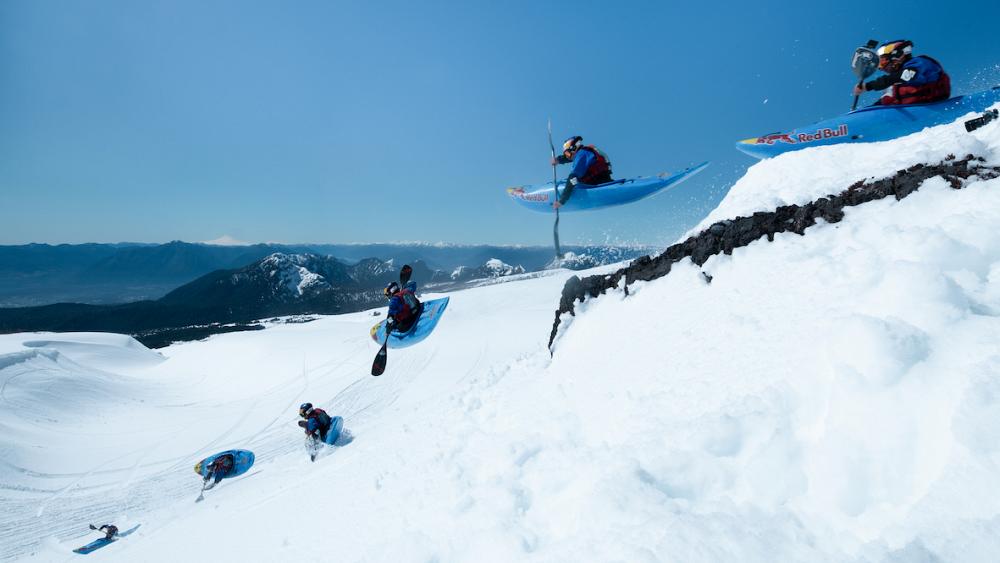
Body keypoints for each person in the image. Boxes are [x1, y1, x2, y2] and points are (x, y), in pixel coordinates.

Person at [852, 40, 950, 106]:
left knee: (894, 81)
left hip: (933, 106)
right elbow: (886, 100)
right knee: (890, 92)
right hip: (909, 114)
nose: (882, 68)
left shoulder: (920, 63)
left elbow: (905, 75)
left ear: (897, 55)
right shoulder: (896, 82)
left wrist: (868, 86)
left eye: (883, 61)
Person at [550, 135, 613, 209]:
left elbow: (572, 178)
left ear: (573, 148)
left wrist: (561, 201)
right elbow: (570, 158)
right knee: (572, 179)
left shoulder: (581, 154)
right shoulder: (583, 152)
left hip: (596, 181)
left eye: (567, 153)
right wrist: (558, 160)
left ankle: (564, 196)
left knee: (571, 179)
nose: (567, 156)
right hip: (602, 178)